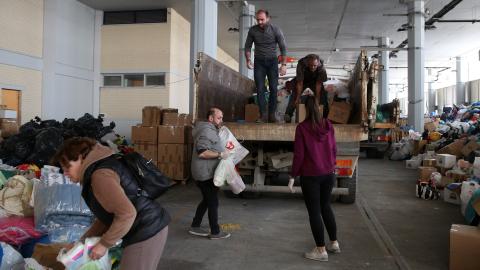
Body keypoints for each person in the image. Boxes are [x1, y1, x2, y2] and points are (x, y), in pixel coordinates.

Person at [52, 137, 170, 270]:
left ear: (81, 158)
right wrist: (80, 244)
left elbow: (127, 214)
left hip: (146, 229)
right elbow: (105, 217)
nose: (65, 173)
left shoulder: (100, 175)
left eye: (67, 167)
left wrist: (104, 244)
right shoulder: (99, 170)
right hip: (145, 226)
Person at [291, 96, 340, 262]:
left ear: (304, 108)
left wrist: (292, 175)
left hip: (311, 176)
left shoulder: (302, 128)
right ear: (319, 107)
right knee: (326, 206)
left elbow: (299, 155)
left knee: (314, 212)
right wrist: (332, 165)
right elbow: (334, 149)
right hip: (329, 173)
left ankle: (320, 250)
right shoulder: (328, 125)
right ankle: (334, 243)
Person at [189, 107, 231, 239]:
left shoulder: (210, 129)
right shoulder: (207, 131)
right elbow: (202, 152)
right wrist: (221, 154)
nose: (221, 120)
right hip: (204, 173)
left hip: (205, 171)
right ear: (210, 118)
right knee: (213, 202)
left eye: (222, 117)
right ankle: (215, 232)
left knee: (207, 200)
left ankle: (195, 225)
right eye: (219, 117)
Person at [245, 9, 287, 123]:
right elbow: (248, 46)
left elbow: (283, 47)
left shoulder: (276, 30)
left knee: (273, 88)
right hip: (259, 63)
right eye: (257, 19)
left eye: (262, 19)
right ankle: (263, 115)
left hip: (272, 62)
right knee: (260, 89)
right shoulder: (253, 30)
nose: (259, 22)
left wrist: (283, 64)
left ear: (268, 18)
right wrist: (248, 59)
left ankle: (272, 115)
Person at [284, 54, 328, 123]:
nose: (313, 67)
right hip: (303, 81)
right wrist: (298, 97)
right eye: (311, 65)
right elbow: (300, 82)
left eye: (315, 66)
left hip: (315, 82)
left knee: (322, 98)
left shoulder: (321, 66)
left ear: (318, 63)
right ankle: (288, 115)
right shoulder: (301, 64)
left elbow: (318, 84)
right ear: (307, 63)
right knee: (295, 97)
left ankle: (324, 117)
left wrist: (317, 98)